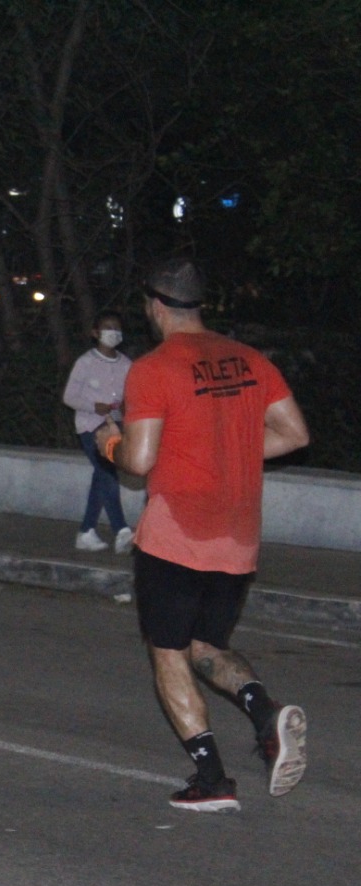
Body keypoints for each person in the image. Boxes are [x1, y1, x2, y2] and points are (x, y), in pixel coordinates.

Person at [95, 259, 310, 813]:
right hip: (237, 536)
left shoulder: (154, 368)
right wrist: (227, 451)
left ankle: (212, 778)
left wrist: (110, 444)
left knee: (168, 653)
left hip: (176, 534)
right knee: (206, 646)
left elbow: (140, 461)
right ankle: (263, 711)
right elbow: (294, 434)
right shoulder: (251, 360)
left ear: (155, 306)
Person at [62, 312, 132, 552]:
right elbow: (69, 397)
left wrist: (125, 407)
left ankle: (86, 531)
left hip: (117, 425)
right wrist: (94, 407)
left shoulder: (126, 364)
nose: (113, 332)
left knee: (102, 475)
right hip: (90, 426)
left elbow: (131, 395)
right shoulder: (85, 362)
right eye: (107, 327)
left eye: (117, 327)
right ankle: (121, 530)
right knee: (108, 473)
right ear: (95, 333)